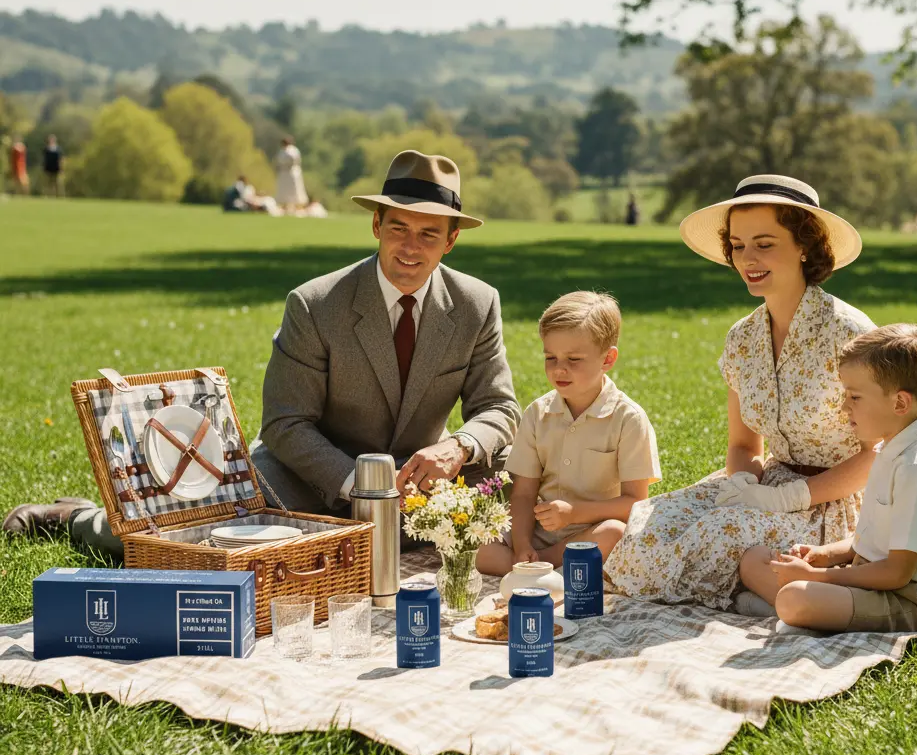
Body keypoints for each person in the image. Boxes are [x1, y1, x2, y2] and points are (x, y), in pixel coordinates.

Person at [3, 150, 521, 557]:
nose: (410, 247)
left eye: (428, 234)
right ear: (376, 227)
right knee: (187, 538)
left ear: (451, 241)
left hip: (412, 489)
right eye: (398, 229)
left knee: (509, 480)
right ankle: (74, 518)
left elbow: (499, 409)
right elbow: (285, 423)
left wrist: (459, 448)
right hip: (306, 480)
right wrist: (357, 486)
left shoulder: (478, 304)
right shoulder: (315, 303)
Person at [605, 174, 876, 608]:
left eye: (765, 244)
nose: (748, 258)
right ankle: (747, 590)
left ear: (805, 245)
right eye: (737, 245)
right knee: (649, 528)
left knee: (713, 535)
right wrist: (744, 486)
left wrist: (785, 498)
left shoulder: (849, 334)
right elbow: (743, 443)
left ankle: (755, 592)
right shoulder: (741, 339)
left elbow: (877, 455)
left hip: (833, 503)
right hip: (764, 483)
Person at [738, 324, 917, 632]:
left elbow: (896, 573)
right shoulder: (891, 448)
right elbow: (874, 539)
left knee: (796, 597)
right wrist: (822, 556)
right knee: (755, 560)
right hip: (871, 576)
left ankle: (789, 611)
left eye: (854, 397)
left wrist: (815, 578)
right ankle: (796, 610)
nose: (843, 407)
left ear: (899, 403)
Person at [476, 291, 660, 576]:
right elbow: (523, 495)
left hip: (592, 532)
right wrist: (523, 542)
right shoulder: (538, 413)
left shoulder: (628, 419)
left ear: (608, 359)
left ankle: (535, 568)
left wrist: (574, 513)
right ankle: (544, 568)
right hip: (538, 534)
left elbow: (635, 504)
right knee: (478, 545)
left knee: (613, 533)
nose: (559, 368)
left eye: (574, 359)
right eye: (550, 357)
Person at [274, 136, 308, 212]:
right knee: (284, 190)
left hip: (292, 172)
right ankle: (285, 206)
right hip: (284, 172)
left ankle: (297, 207)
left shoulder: (293, 150)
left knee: (294, 189)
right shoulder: (282, 151)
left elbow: (293, 160)